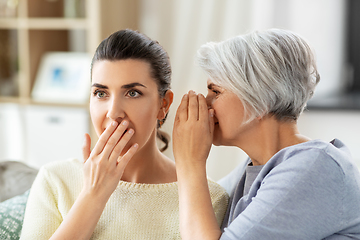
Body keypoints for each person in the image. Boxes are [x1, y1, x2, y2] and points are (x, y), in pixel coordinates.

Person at [20, 29, 228, 240]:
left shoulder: (209, 197)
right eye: (101, 93)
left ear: (163, 105)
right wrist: (93, 195)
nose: (113, 112)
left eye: (133, 93)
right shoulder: (56, 181)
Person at [173, 28, 360, 239]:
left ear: (260, 100)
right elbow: (183, 211)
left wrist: (190, 162)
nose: (205, 105)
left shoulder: (316, 167)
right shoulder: (255, 168)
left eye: (215, 92)